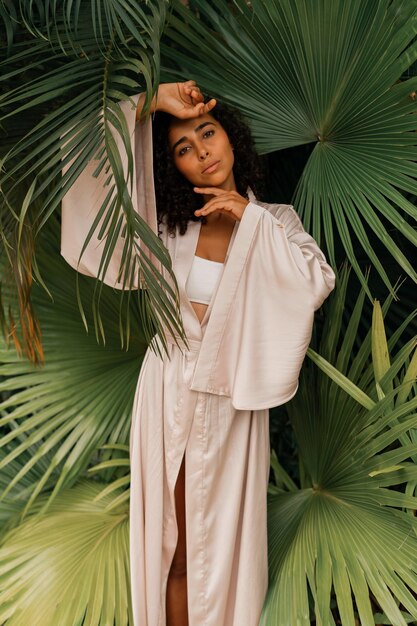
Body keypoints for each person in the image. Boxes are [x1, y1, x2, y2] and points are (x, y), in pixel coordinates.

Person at [61, 80, 336, 626]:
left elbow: (312, 283)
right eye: (183, 149)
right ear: (175, 168)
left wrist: (246, 218)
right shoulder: (164, 230)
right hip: (167, 392)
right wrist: (149, 103)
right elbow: (93, 166)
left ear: (231, 138)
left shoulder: (276, 222)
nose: (202, 152)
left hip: (232, 405)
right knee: (176, 550)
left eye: (207, 134)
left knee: (218, 555)